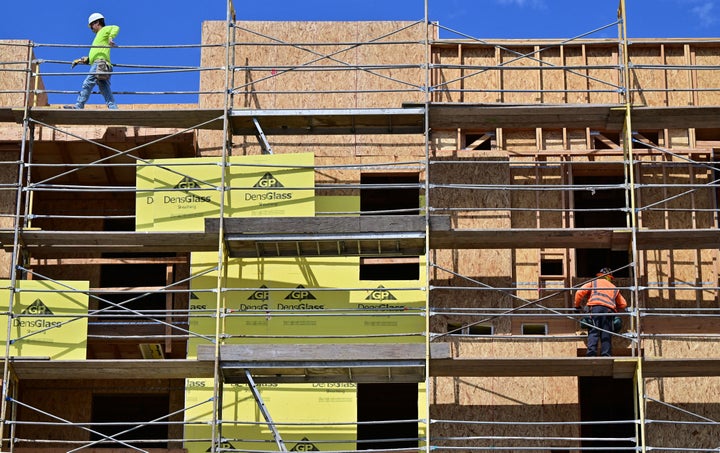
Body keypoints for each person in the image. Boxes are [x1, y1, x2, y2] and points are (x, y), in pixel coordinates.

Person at [65, 13, 120, 109]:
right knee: (104, 88)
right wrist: (82, 60)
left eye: (91, 26)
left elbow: (115, 27)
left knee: (87, 83)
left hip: (100, 64)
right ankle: (113, 108)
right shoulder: (98, 37)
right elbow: (95, 54)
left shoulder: (104, 30)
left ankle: (79, 105)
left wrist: (111, 37)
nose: (91, 29)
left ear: (97, 22)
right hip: (102, 64)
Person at [574, 267, 628, 357]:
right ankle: (606, 355)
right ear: (610, 277)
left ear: (599, 275)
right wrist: (615, 307)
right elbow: (624, 304)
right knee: (606, 332)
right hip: (608, 311)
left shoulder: (594, 282)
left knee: (594, 331)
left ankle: (591, 354)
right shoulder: (614, 287)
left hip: (595, 309)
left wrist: (577, 306)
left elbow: (579, 292)